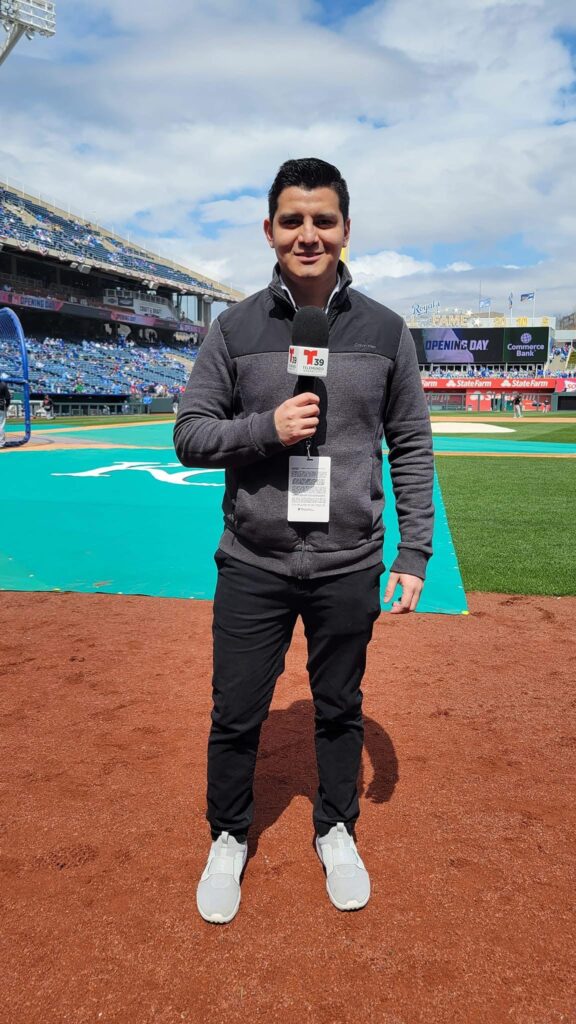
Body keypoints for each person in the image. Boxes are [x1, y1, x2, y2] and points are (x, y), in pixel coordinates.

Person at [174, 157, 434, 925]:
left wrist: (414, 551)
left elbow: (412, 444)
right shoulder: (235, 328)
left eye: (323, 220)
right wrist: (266, 429)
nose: (308, 234)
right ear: (269, 231)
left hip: (348, 562)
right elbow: (189, 434)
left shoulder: (386, 330)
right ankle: (228, 834)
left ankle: (335, 827)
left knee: (338, 706)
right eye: (293, 220)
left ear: (346, 230)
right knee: (236, 711)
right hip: (253, 560)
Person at [0, 378, 11, 448]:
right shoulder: (3, 384)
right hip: (1, 406)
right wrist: (7, 405)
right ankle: (1, 443)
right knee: (1, 425)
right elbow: (8, 398)